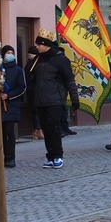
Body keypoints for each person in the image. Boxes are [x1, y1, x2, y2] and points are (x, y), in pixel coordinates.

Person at [26, 29, 79, 168]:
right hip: (40, 100)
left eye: (38, 44)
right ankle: (50, 156)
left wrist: (75, 98)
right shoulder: (38, 59)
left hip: (55, 100)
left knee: (54, 128)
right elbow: (30, 77)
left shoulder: (60, 60)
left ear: (46, 44)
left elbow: (69, 80)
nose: (36, 47)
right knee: (46, 129)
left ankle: (58, 156)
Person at [0, 45, 26, 168]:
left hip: (12, 105)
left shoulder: (18, 70)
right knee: (2, 133)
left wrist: (8, 95)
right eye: (7, 52)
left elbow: (22, 88)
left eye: (12, 52)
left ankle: (11, 157)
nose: (10, 54)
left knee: (9, 131)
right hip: (0, 107)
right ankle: (3, 157)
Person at [25, 45, 44, 140]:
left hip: (34, 91)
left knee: (35, 111)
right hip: (34, 91)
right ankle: (38, 130)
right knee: (36, 111)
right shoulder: (33, 64)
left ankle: (36, 130)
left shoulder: (33, 63)